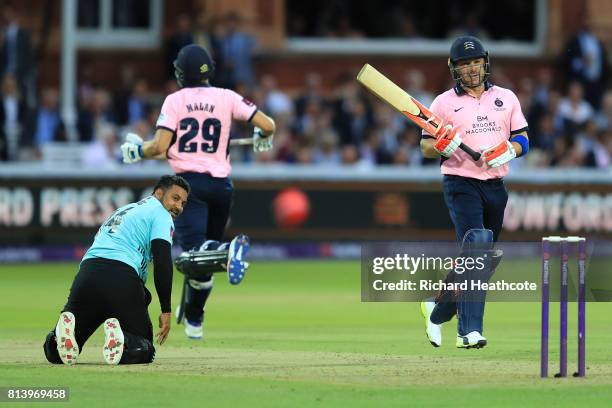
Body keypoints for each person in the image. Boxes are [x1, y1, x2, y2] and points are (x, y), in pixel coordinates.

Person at [120, 44, 275, 339]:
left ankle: (229, 252)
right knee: (203, 261)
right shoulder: (227, 96)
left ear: (180, 73)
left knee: (191, 255)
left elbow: (160, 146)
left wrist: (136, 151)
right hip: (222, 186)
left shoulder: (175, 100)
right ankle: (194, 320)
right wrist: (262, 137)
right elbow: (268, 124)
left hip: (189, 186)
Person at [419, 36, 529, 349]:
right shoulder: (442, 102)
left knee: (485, 258)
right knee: (478, 247)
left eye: (476, 62)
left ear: (485, 63)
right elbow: (425, 145)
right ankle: (468, 331)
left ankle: (438, 309)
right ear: (454, 68)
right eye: (464, 64)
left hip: (495, 184)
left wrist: (510, 150)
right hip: (460, 181)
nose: (471, 69)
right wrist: (441, 144)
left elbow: (523, 139)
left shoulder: (506, 97)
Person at [43, 175, 190, 365]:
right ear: (159, 193)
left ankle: (56, 339)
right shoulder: (161, 214)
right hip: (121, 277)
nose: (178, 207)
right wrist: (166, 311)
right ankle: (124, 341)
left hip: (87, 274)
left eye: (184, 203)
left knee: (57, 355)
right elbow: (162, 262)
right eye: (175, 198)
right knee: (144, 349)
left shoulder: (125, 210)